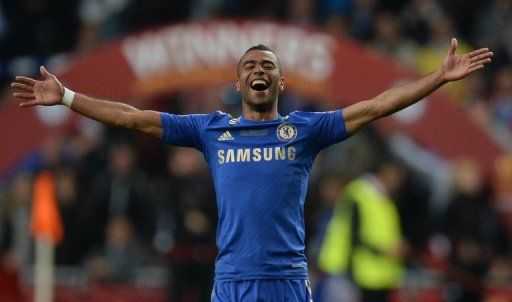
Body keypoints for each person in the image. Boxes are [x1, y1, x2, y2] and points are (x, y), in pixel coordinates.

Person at [11, 39, 492, 301]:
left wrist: (438, 78)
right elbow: (132, 117)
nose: (258, 69)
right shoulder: (210, 130)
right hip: (232, 282)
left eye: (267, 64)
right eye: (249, 65)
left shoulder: (306, 129)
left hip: (285, 281)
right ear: (238, 80)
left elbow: (377, 106)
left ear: (280, 80)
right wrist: (69, 98)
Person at [318, 159, 409, 302]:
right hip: (348, 270)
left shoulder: (385, 201)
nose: (397, 183)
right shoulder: (359, 193)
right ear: (384, 172)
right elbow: (353, 235)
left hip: (372, 274)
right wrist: (383, 250)